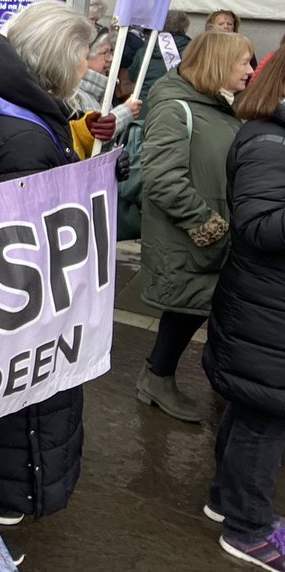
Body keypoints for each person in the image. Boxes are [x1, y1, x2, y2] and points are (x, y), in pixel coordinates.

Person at [0, 0, 92, 526]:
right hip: (11, 332)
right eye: (85, 56)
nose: (90, 66)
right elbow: (20, 265)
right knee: (1, 472)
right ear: (60, 63)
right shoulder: (27, 139)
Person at [137, 30, 253, 422]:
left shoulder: (216, 106)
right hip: (191, 235)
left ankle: (159, 377)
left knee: (193, 308)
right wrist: (209, 225)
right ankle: (157, 378)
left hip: (210, 235)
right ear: (218, 65)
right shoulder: (177, 108)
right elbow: (162, 178)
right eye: (243, 62)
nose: (251, 70)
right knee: (186, 308)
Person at [201, 50, 285, 570]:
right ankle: (248, 529)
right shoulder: (270, 141)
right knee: (266, 415)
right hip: (266, 311)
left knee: (254, 409)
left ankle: (223, 499)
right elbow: (258, 228)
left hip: (266, 310)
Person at [74, 24, 141, 155]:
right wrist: (125, 112)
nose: (110, 59)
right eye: (105, 53)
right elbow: (92, 137)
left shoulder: (99, 92)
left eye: (111, 52)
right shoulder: (75, 94)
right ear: (85, 56)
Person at [130, 9, 191, 103]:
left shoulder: (147, 47)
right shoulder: (192, 50)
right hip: (177, 104)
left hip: (145, 104)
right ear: (185, 28)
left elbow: (133, 75)